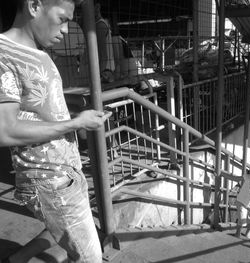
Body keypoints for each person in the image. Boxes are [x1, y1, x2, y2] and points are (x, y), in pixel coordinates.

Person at [0, 0, 112, 262]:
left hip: (64, 173)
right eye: (62, 19)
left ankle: (16, 259)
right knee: (90, 257)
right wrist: (75, 124)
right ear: (35, 5)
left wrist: (75, 120)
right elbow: (6, 130)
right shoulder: (4, 53)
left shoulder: (37, 52)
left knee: (68, 234)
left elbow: (38, 112)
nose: (66, 30)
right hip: (50, 180)